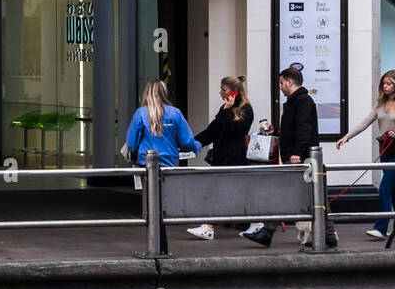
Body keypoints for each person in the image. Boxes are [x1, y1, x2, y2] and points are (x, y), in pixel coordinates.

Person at [243, 66, 337, 250]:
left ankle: (268, 232)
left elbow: (304, 129)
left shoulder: (302, 101)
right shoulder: (296, 101)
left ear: (290, 82)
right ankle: (328, 235)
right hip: (300, 156)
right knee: (312, 196)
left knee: (288, 194)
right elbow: (294, 128)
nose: (280, 86)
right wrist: (275, 131)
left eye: (281, 83)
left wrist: (296, 153)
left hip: (301, 158)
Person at [336, 69, 395, 239]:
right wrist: (347, 137)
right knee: (393, 190)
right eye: (384, 84)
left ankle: (380, 228)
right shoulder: (380, 104)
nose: (385, 87)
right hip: (385, 150)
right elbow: (365, 123)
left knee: (384, 188)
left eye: (389, 84)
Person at [188, 74, 254, 239]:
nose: (220, 93)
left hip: (234, 157)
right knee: (236, 193)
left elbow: (233, 130)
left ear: (234, 91)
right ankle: (259, 223)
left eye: (223, 90)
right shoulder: (225, 108)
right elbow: (213, 130)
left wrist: (225, 111)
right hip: (222, 156)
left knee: (220, 192)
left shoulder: (245, 110)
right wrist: (193, 143)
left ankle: (209, 227)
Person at [125, 78, 201, 166]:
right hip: (169, 167)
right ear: (164, 93)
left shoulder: (140, 113)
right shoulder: (175, 113)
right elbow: (186, 142)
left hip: (146, 167)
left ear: (147, 93)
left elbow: (131, 142)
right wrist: (197, 146)